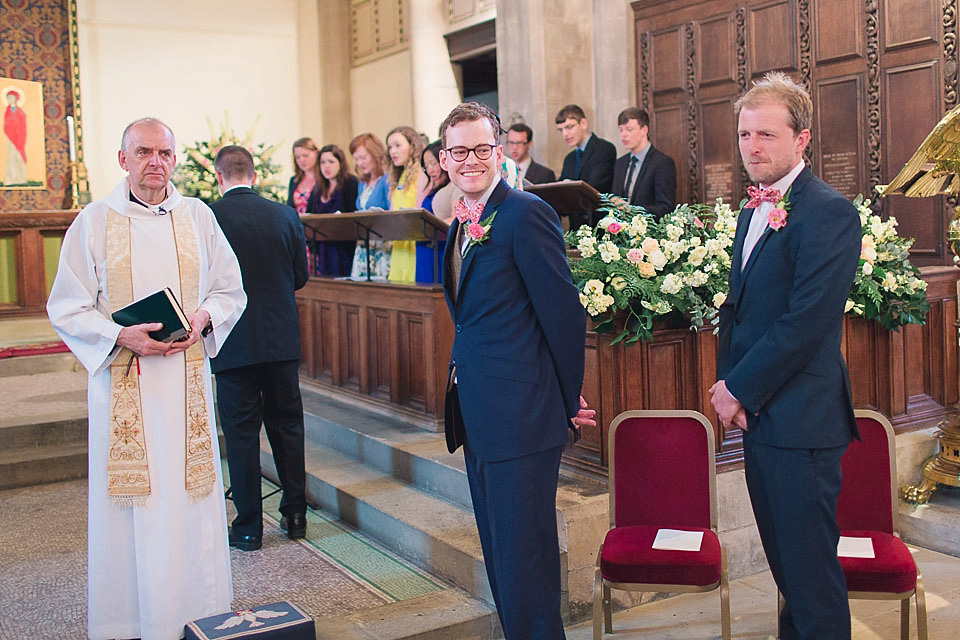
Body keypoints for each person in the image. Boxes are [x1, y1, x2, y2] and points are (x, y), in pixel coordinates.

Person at [46, 117, 246, 640]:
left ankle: (198, 607)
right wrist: (119, 336)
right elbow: (67, 306)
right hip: (124, 387)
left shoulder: (198, 216)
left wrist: (203, 319)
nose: (155, 162)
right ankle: (132, 619)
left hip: (187, 384)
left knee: (189, 496)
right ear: (123, 159)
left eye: (164, 153)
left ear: (174, 160)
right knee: (137, 502)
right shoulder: (93, 222)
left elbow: (229, 290)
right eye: (143, 152)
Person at [709, 72, 861, 640]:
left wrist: (738, 388)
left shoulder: (828, 212)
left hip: (802, 422)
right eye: (746, 134)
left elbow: (806, 324)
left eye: (767, 135)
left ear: (802, 140)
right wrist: (734, 390)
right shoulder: (752, 211)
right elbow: (740, 310)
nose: (752, 146)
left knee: (813, 583)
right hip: (762, 417)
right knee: (787, 577)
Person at [438, 101, 595, 640]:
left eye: (482, 149)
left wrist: (567, 397)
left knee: (525, 560)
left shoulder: (526, 213)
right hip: (479, 412)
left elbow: (564, 314)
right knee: (503, 553)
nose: (471, 160)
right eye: (459, 151)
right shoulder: (460, 223)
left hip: (521, 417)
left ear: (498, 152)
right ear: (444, 159)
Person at [208, 145, 309, 553]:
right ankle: (296, 514)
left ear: (219, 176)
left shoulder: (208, 216)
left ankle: (248, 526)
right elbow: (300, 276)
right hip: (281, 339)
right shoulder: (285, 214)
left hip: (232, 341)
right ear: (254, 174)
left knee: (241, 433)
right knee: (288, 426)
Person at [612, 107, 677, 218]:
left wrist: (632, 210)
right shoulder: (620, 163)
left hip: (649, 231)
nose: (623, 134)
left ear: (644, 130)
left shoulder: (662, 163)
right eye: (621, 130)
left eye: (629, 129)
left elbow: (666, 208)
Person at [312, 143, 359, 277]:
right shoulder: (319, 188)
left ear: (340, 163)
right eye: (323, 162)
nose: (326, 166)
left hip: (344, 247)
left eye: (331, 162)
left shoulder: (350, 183)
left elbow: (353, 214)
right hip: (324, 248)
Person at [349, 132, 391, 279]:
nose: (360, 163)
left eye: (363, 157)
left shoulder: (387, 180)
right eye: (356, 159)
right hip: (363, 246)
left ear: (375, 154)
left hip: (381, 246)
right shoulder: (362, 183)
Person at [386, 125, 424, 282]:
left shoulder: (421, 174)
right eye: (389, 147)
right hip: (399, 244)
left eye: (397, 145)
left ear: (412, 146)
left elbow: (420, 212)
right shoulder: (398, 176)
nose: (392, 151)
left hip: (414, 245)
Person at [556, 103, 616, 193]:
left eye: (569, 127)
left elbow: (597, 187)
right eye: (561, 130)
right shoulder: (569, 158)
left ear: (583, 123)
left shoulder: (604, 149)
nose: (564, 134)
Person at [286, 137, 321, 215]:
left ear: (316, 153)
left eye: (305, 155)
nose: (301, 160)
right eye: (297, 157)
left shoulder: (324, 179)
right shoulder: (294, 180)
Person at [416, 140, 449, 213]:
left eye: (433, 164)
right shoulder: (432, 190)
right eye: (426, 166)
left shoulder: (453, 189)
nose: (429, 171)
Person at [4, 89, 28, 185]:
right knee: (11, 157)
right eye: (8, 98)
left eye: (11, 98)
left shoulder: (20, 111)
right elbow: (6, 123)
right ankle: (11, 178)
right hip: (10, 137)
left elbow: (22, 125)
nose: (9, 100)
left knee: (18, 156)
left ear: (15, 99)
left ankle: (20, 178)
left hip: (19, 138)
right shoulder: (7, 111)